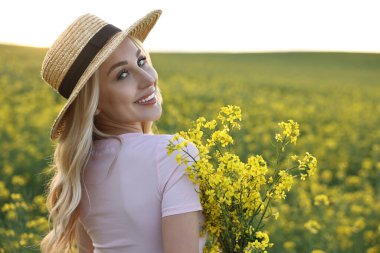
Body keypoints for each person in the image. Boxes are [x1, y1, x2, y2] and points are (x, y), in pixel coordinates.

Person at [40, 10, 205, 253]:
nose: (148, 78)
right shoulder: (174, 155)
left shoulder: (80, 169)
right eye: (122, 75)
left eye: (141, 61)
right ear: (93, 104)